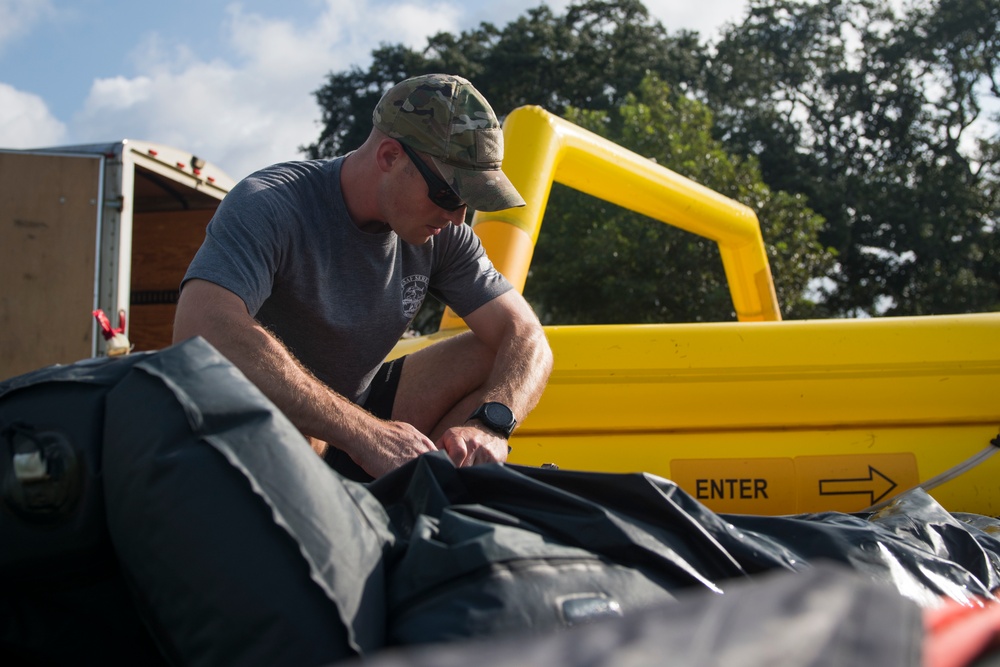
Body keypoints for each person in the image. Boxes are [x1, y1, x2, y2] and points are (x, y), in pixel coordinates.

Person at [172, 73, 553, 482]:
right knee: (291, 428)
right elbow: (199, 329)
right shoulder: (272, 203)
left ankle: (431, 503)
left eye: (470, 202)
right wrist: (363, 433)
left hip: (359, 419)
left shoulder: (445, 234)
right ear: (389, 156)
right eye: (449, 194)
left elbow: (528, 337)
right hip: (259, 428)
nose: (458, 217)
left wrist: (491, 424)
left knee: (496, 355)